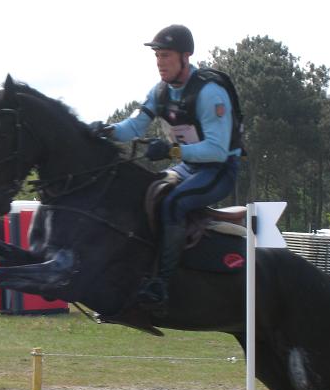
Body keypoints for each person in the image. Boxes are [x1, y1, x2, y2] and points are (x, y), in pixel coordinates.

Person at [91, 24, 241, 313]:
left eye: (166, 56)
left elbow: (217, 150)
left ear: (186, 56)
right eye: (157, 56)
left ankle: (162, 283)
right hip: (189, 166)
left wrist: (172, 150)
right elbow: (133, 126)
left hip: (219, 170)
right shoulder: (159, 92)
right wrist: (105, 131)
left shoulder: (210, 93)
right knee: (145, 192)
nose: (160, 63)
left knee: (173, 203)